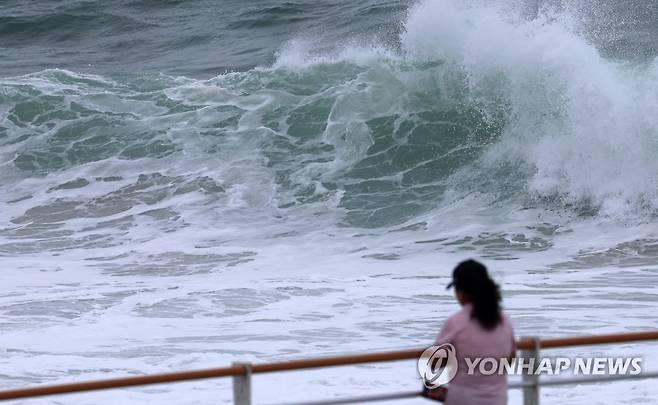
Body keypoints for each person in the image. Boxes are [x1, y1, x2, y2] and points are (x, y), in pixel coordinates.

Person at [423, 260, 516, 404]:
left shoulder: (456, 322)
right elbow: (510, 359)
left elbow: (434, 363)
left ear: (462, 292)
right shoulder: (504, 321)